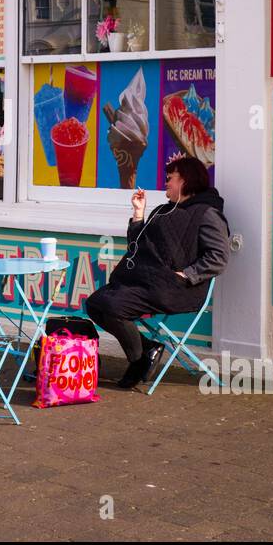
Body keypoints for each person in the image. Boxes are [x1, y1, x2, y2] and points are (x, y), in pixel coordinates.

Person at [85, 156, 230, 389]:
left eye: (170, 178)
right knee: (94, 303)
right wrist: (139, 214)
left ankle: (138, 359)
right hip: (146, 280)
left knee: (113, 307)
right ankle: (146, 351)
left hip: (177, 288)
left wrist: (188, 274)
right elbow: (137, 246)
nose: (166, 183)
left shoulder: (207, 214)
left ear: (185, 180)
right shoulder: (163, 210)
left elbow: (219, 257)